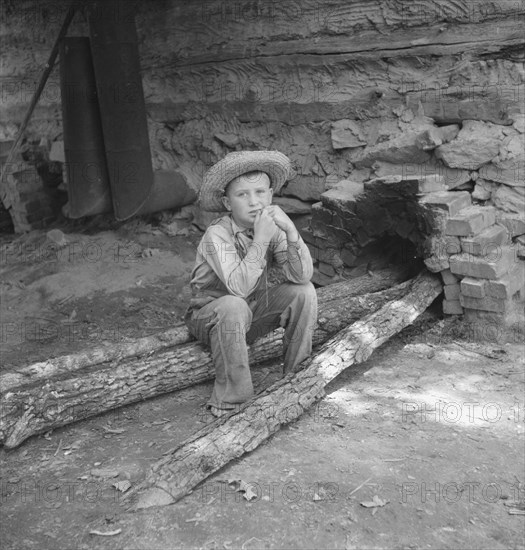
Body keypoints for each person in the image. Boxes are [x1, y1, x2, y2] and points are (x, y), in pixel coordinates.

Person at [185, 150, 318, 417]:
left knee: (304, 292)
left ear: (270, 196)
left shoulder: (272, 227)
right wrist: (261, 240)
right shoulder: (217, 234)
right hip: (210, 316)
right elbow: (239, 289)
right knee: (234, 305)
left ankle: (297, 379)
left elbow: (301, 276)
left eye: (260, 192)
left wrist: (291, 232)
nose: (253, 202)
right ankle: (233, 400)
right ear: (227, 202)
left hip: (250, 311)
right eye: (242, 195)